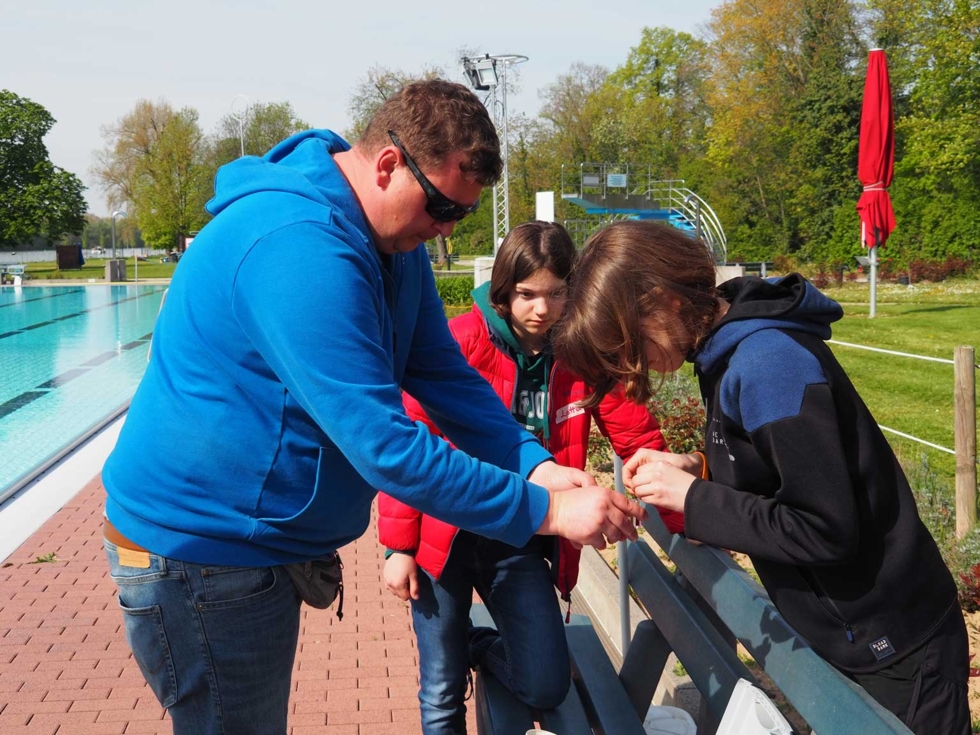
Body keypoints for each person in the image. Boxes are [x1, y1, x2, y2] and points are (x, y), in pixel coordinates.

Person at [100, 80, 646, 735]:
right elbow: (387, 447)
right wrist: (551, 510)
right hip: (199, 554)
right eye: (441, 204)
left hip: (249, 550)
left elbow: (444, 374)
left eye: (461, 216)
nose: (444, 228)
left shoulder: (391, 242)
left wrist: (532, 463)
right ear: (388, 164)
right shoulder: (299, 245)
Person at [554, 220, 970, 735]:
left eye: (627, 344)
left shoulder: (770, 362)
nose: (632, 363)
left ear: (662, 299)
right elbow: (776, 472)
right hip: (852, 633)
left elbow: (824, 526)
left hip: (897, 641)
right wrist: (699, 467)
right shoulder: (725, 351)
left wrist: (697, 499)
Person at [378, 222, 684, 733]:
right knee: (440, 688)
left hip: (523, 531)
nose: (542, 309)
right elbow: (408, 444)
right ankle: (459, 652)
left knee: (545, 682)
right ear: (504, 290)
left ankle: (480, 646)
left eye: (557, 293)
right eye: (526, 294)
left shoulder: (580, 351)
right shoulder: (461, 341)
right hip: (443, 536)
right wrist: (398, 547)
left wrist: (682, 516)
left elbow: (638, 436)